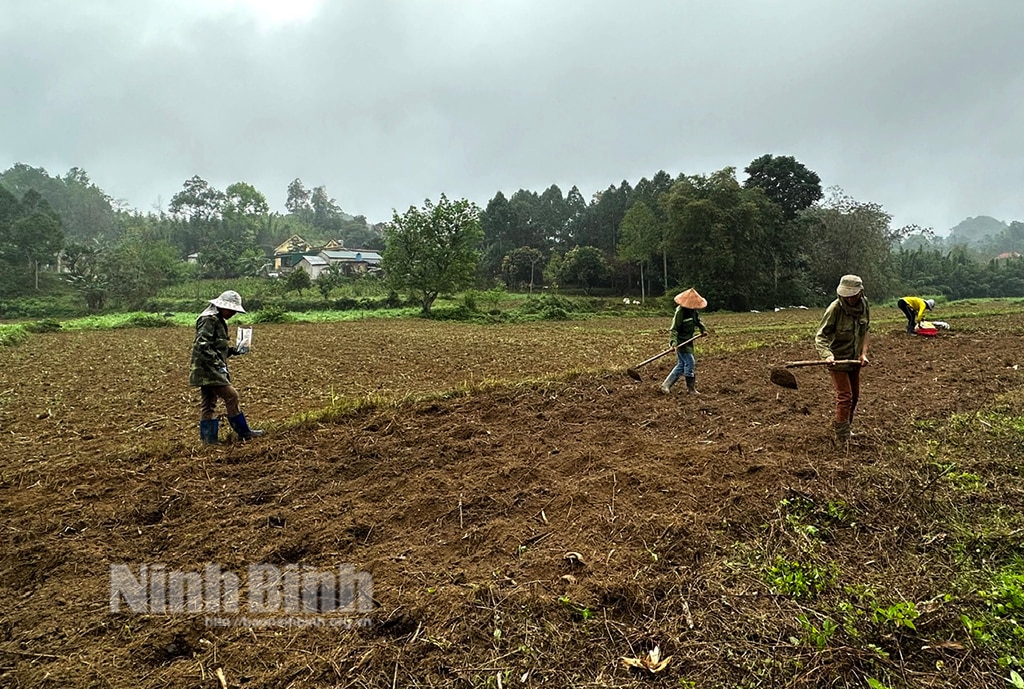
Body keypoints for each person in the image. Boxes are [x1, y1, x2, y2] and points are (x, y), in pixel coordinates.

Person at [189, 290, 264, 444]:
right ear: (222, 306)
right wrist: (218, 365)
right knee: (232, 396)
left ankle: (209, 441)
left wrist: (232, 351)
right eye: (232, 310)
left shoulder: (215, 317)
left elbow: (214, 346)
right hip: (208, 369)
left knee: (209, 403)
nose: (233, 313)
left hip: (206, 368)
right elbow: (202, 345)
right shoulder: (209, 319)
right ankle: (244, 433)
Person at [814, 275, 870, 444]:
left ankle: (847, 428)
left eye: (853, 295)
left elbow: (866, 330)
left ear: (860, 293)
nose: (849, 298)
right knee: (845, 397)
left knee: (855, 396)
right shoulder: (835, 308)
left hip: (853, 359)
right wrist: (827, 355)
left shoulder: (864, 305)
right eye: (847, 295)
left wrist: (863, 353)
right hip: (837, 359)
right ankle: (842, 437)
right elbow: (820, 336)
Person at [660, 288, 709, 395]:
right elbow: (674, 329)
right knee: (690, 363)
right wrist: (673, 343)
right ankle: (691, 389)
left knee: (681, 365)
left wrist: (703, 329)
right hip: (680, 342)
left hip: (689, 342)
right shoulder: (680, 312)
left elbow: (698, 321)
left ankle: (666, 385)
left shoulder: (693, 312)